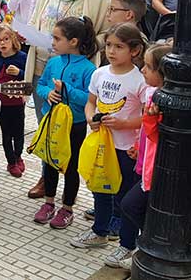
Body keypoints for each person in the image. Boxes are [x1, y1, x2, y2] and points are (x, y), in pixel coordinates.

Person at [23, 0, 111, 199]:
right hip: (45, 68)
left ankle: (68, 182)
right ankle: (46, 177)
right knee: (47, 127)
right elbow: (36, 22)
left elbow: (106, 35)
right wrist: (28, 35)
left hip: (76, 75)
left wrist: (77, 46)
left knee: (72, 132)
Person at [71, 23, 146, 249]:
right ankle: (99, 231)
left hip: (126, 149)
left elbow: (147, 118)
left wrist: (124, 124)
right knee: (100, 190)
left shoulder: (139, 80)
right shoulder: (99, 73)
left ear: (135, 51)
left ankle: (126, 241)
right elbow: (90, 102)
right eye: (109, 46)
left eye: (119, 47)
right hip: (101, 144)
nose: (111, 51)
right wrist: (90, 118)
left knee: (123, 196)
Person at [104, 43, 170, 270]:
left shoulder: (165, 100)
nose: (143, 70)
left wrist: (149, 119)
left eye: (149, 67)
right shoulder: (154, 94)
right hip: (144, 162)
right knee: (131, 204)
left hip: (157, 171)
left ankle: (149, 245)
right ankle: (141, 245)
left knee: (131, 204)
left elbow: (153, 131)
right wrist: (137, 147)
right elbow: (146, 133)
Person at [33, 16, 98, 229]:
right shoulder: (53, 62)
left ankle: (67, 207)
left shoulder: (88, 69)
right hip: (51, 121)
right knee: (50, 162)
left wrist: (66, 90)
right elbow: (41, 85)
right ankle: (49, 202)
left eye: (57, 38)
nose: (52, 42)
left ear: (74, 41)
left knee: (71, 167)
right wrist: (48, 93)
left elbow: (89, 99)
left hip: (75, 125)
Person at [0, 23, 27, 177]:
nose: (3, 43)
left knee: (19, 132)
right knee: (6, 133)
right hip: (2, 104)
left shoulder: (22, 57)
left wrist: (19, 72)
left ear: (13, 39)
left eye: (6, 39)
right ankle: (11, 161)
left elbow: (29, 77)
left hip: (18, 102)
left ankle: (18, 156)